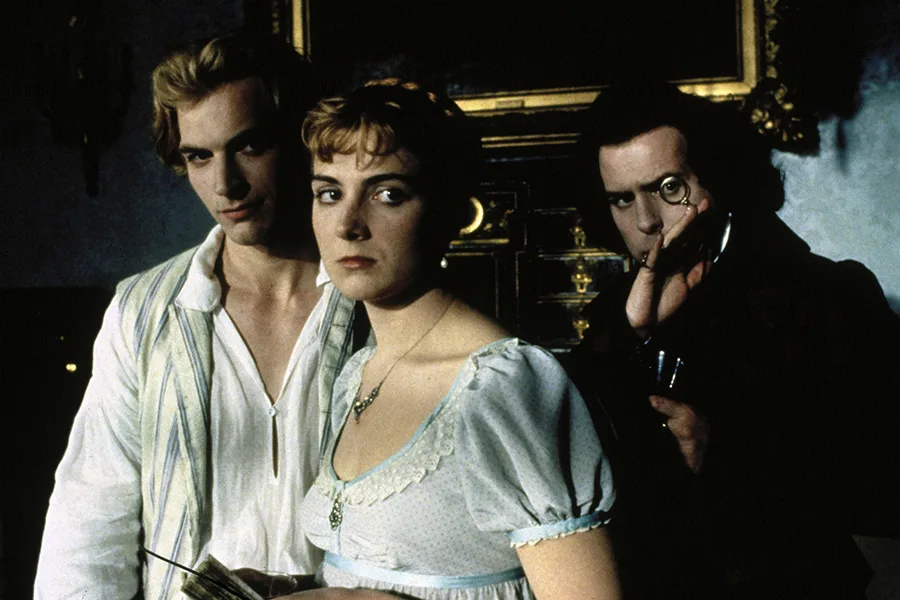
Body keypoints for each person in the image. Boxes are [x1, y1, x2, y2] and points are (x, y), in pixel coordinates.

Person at [33, 32, 363, 600]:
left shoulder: (375, 301)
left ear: (302, 141)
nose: (225, 184)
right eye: (199, 156)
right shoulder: (143, 312)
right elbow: (88, 525)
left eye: (250, 146)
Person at [567, 81, 900, 599]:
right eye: (622, 199)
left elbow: (878, 486)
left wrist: (722, 452)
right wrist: (636, 332)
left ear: (717, 177)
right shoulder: (617, 317)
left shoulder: (829, 296)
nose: (646, 220)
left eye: (668, 187)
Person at [292, 80, 621, 600]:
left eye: (388, 194)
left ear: (451, 212)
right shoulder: (359, 371)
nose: (348, 224)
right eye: (329, 193)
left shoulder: (500, 386)